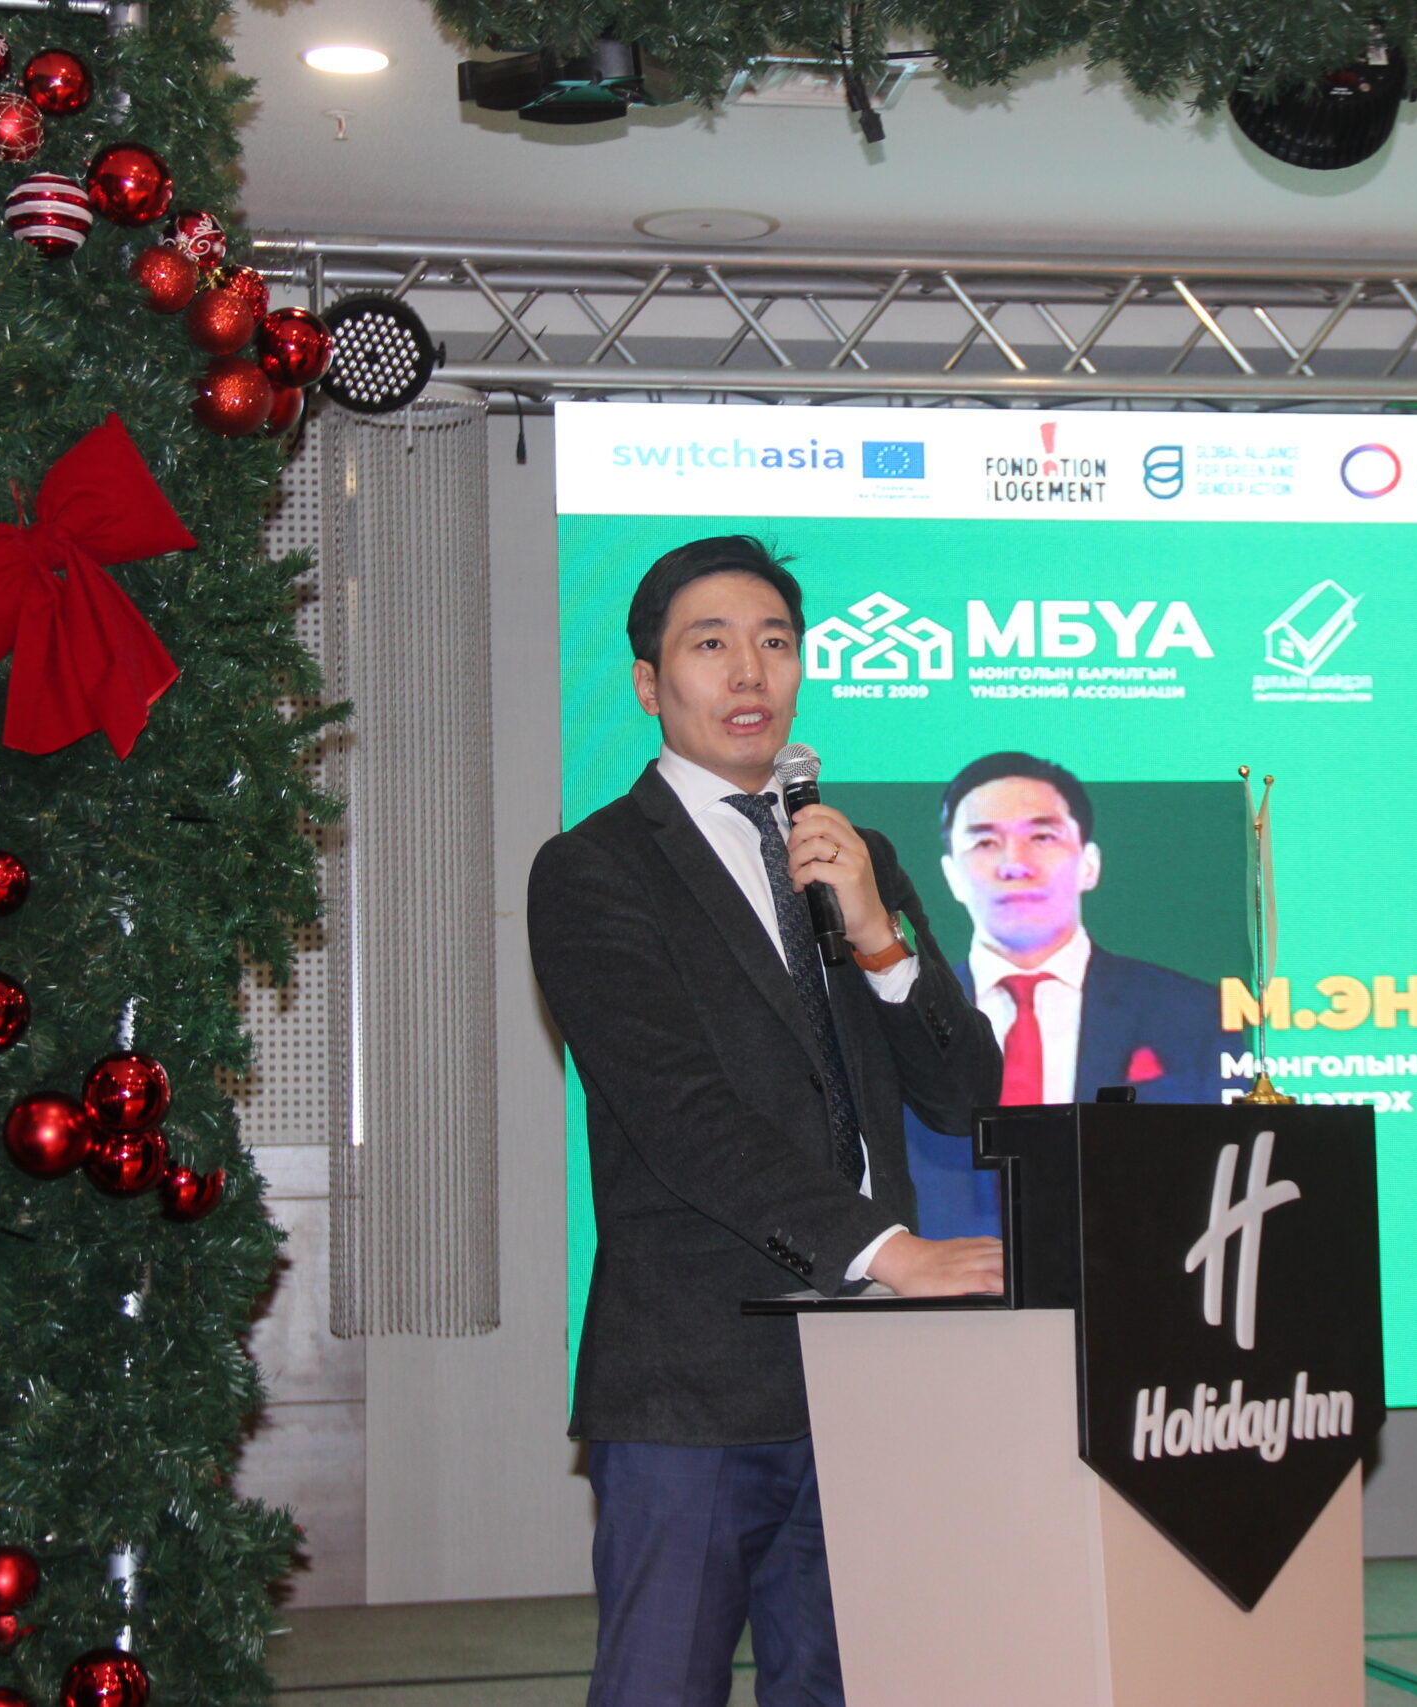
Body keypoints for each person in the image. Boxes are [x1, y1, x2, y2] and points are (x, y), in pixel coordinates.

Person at [527, 536, 1004, 1707]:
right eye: (711, 644)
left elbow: (965, 1096)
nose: (750, 672)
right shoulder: (593, 870)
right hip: (695, 1384)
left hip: (867, 1385)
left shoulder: (855, 856)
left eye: (775, 643)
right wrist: (887, 1252)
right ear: (649, 684)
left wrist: (881, 936)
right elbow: (683, 1116)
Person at [906, 752, 1224, 1237]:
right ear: (951, 875)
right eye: (985, 842)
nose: (1015, 865)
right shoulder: (908, 1020)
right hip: (953, 1277)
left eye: (1042, 837)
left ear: (1089, 864)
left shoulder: (1195, 1012)